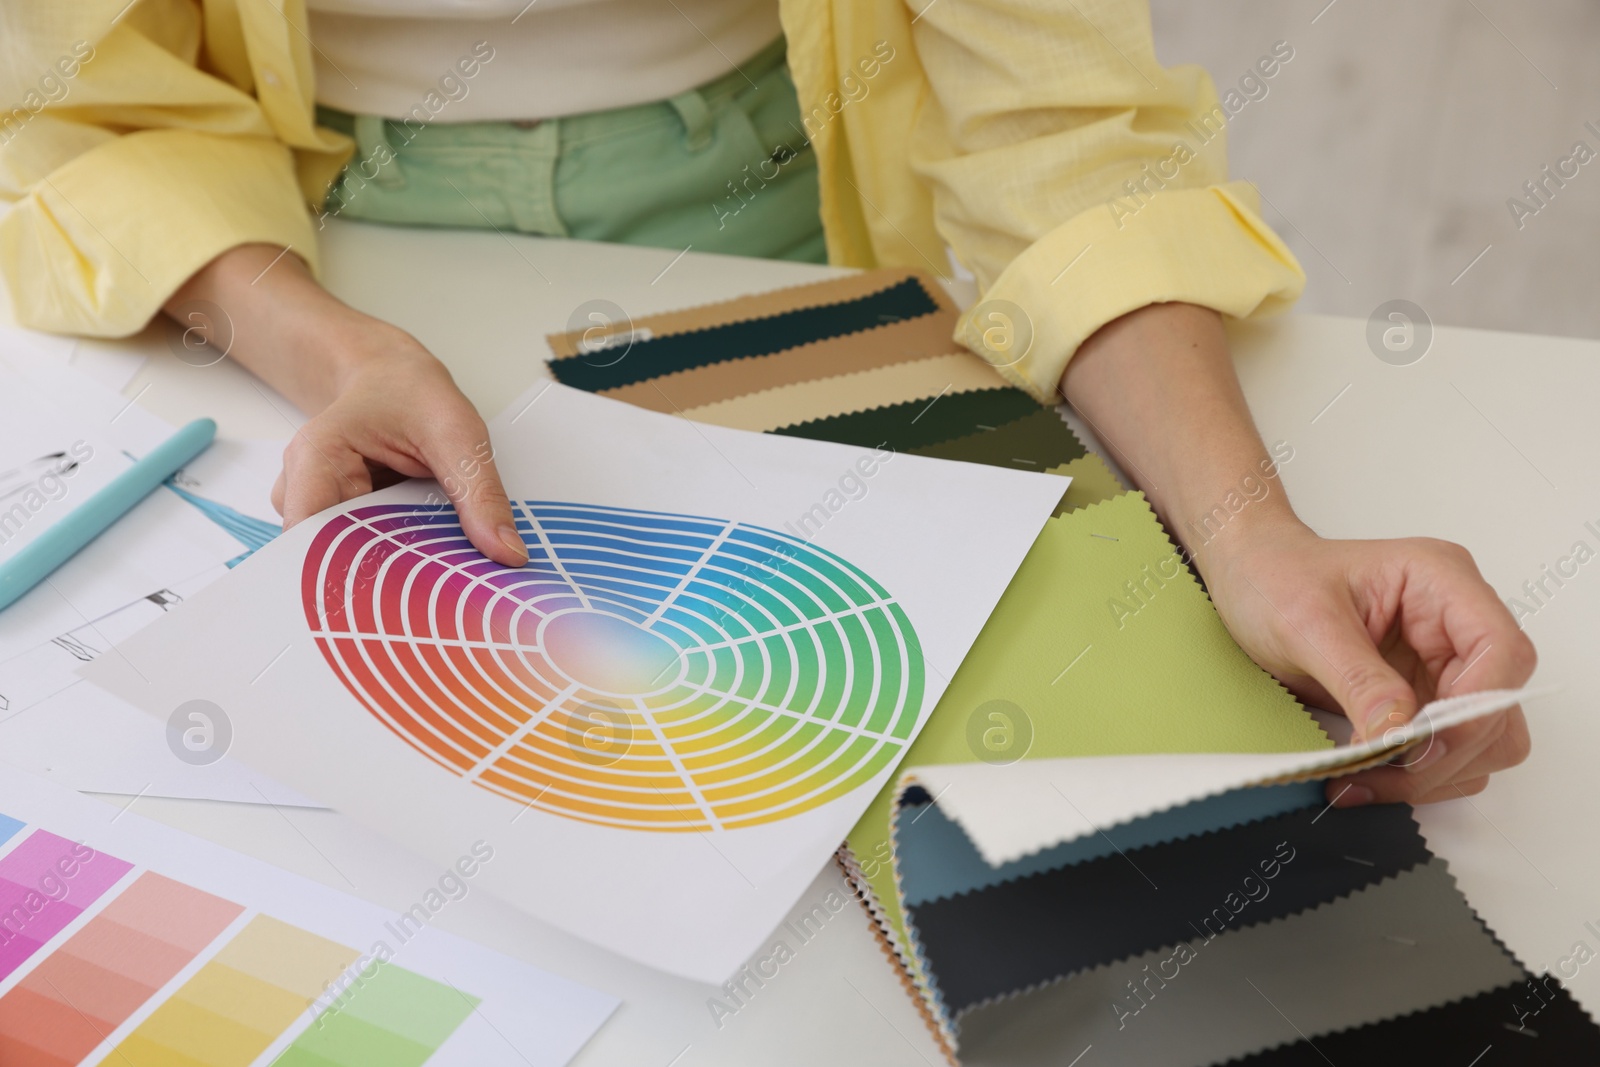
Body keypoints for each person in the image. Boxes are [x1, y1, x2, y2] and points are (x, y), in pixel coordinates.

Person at [0, 0, 1532, 809]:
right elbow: (66, 98)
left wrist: (1250, 531)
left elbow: (1061, 139)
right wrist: (331, 352)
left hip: (769, 186)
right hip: (282, 223)